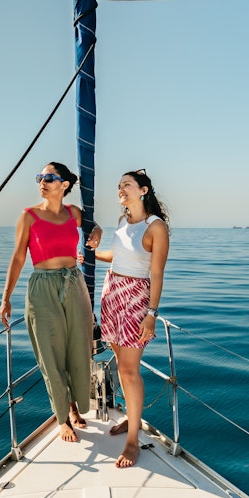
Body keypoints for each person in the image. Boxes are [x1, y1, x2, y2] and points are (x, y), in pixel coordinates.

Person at [0, 162, 102, 443]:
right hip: (42, 286)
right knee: (50, 352)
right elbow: (19, 257)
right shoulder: (29, 216)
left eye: (49, 177)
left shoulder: (74, 213)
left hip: (74, 283)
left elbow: (94, 227)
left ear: (65, 184)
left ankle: (74, 406)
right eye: (40, 177)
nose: (42, 182)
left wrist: (97, 234)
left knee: (78, 347)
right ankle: (62, 418)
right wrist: (6, 297)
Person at [91, 169, 170, 468]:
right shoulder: (124, 221)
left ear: (143, 190)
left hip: (137, 299)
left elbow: (157, 273)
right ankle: (131, 418)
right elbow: (120, 254)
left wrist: (151, 314)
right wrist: (94, 254)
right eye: (119, 186)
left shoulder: (156, 228)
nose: (121, 190)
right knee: (119, 362)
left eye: (126, 185)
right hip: (112, 292)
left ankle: (133, 441)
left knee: (129, 370)